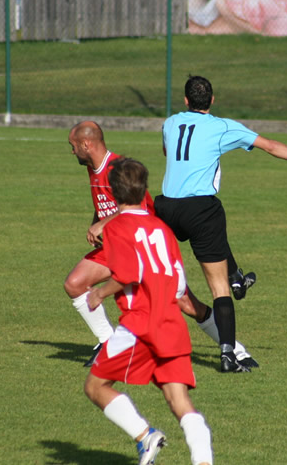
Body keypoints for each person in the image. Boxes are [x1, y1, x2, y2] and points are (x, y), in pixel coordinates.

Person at [154, 75, 287, 373]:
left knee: (160, 275)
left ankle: (237, 276)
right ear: (212, 100)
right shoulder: (222, 126)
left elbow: (168, 153)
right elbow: (271, 146)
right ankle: (227, 355)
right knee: (217, 284)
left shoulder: (170, 123)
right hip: (199, 209)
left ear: (185, 100)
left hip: (166, 208)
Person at [64, 121, 258, 368]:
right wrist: (97, 222)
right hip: (116, 248)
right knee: (74, 283)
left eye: (73, 146)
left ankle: (238, 352)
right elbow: (105, 201)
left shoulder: (119, 169)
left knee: (188, 304)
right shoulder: (93, 168)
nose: (72, 152)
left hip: (144, 249)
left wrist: (104, 223)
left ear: (86, 144)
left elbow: (142, 207)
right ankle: (109, 343)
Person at [84, 157, 213, 465]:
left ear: (113, 194)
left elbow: (129, 273)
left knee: (95, 385)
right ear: (144, 190)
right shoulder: (162, 228)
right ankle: (204, 461)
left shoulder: (116, 227)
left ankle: (146, 436)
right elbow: (180, 284)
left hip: (141, 323)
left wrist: (99, 293)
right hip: (172, 323)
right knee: (178, 400)